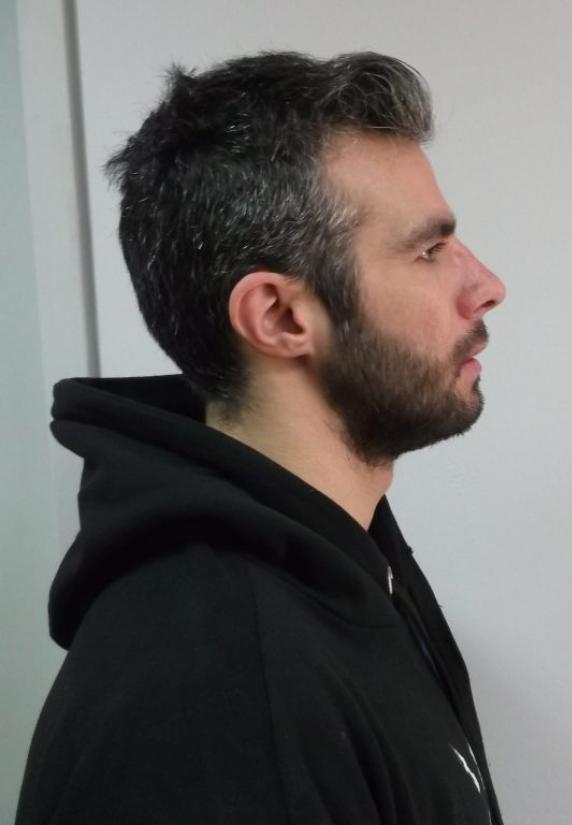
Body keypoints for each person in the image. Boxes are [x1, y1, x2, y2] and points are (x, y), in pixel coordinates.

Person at [16, 51, 506, 825]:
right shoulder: (215, 705)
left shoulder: (345, 556)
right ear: (278, 317)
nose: (485, 286)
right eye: (427, 249)